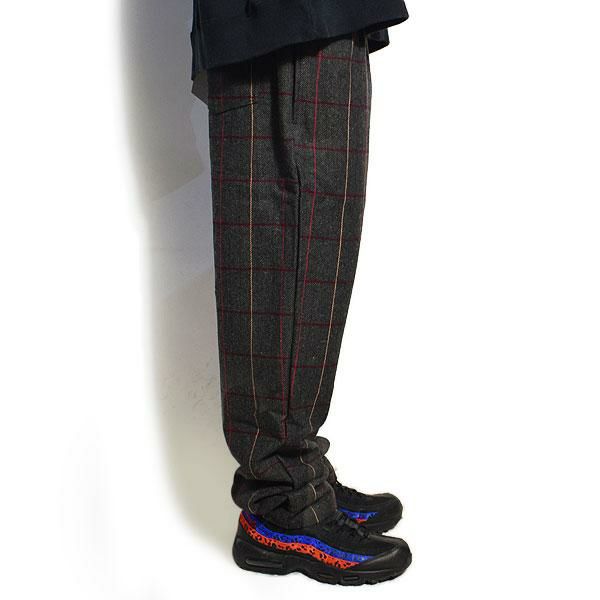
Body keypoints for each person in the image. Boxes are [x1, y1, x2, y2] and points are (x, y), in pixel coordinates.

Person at [190, 0, 411, 585]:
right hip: (278, 16)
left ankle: (296, 467)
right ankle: (281, 499)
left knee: (321, 240)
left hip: (323, 12)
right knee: (285, 235)